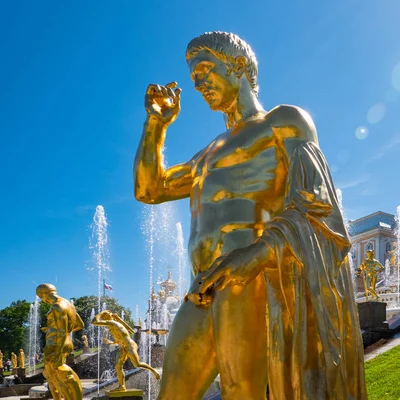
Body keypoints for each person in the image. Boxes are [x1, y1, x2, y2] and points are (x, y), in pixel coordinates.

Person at [134, 32, 366, 400]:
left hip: (253, 279)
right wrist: (156, 126)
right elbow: (150, 189)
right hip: (202, 287)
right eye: (194, 77)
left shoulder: (283, 122)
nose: (198, 83)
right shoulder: (206, 154)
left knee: (241, 392)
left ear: (238, 65)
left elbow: (317, 205)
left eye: (206, 69)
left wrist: (257, 254)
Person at [36, 284, 84, 400]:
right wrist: (51, 328)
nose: (43, 301)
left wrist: (57, 353)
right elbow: (80, 325)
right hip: (64, 342)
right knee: (51, 374)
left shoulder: (57, 306)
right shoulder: (68, 304)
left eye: (41, 297)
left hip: (55, 344)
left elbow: (62, 332)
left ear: (43, 294)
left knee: (55, 374)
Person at [92, 310, 160, 392]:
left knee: (137, 364)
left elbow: (94, 322)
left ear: (105, 317)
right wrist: (111, 341)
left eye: (104, 316)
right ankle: (122, 386)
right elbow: (130, 331)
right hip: (123, 348)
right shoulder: (113, 325)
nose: (102, 318)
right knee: (118, 367)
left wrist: (101, 313)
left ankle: (154, 371)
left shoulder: (112, 323)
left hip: (130, 345)